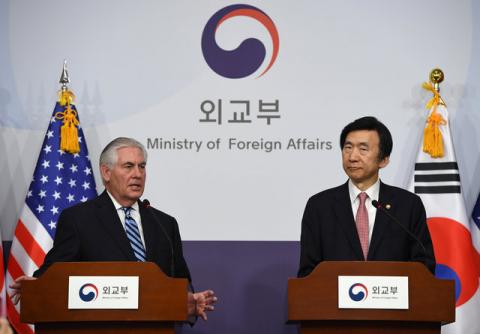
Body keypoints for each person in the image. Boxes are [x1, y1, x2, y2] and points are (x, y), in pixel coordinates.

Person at [10, 137, 216, 321]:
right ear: (106, 172)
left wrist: (189, 302)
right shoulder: (79, 219)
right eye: (128, 166)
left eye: (142, 166)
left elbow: (180, 280)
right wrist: (37, 285)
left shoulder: (164, 223)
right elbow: (56, 271)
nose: (138, 174)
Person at [298, 116, 435, 277]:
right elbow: (308, 272)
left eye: (363, 149)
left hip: (391, 300)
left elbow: (424, 267)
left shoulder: (408, 205)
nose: (352, 157)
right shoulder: (320, 206)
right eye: (348, 148)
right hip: (333, 301)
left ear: (383, 160)